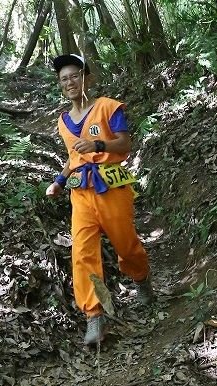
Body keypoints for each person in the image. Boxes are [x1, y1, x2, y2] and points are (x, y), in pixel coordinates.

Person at [46, 54, 154, 345]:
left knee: (126, 244)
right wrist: (58, 181)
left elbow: (125, 143)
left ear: (87, 78)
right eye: (64, 78)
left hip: (111, 187)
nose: (69, 82)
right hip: (80, 192)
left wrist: (98, 144)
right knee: (82, 253)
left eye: (75, 76)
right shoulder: (63, 122)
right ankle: (94, 317)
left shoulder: (107, 107)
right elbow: (73, 157)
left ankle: (141, 278)